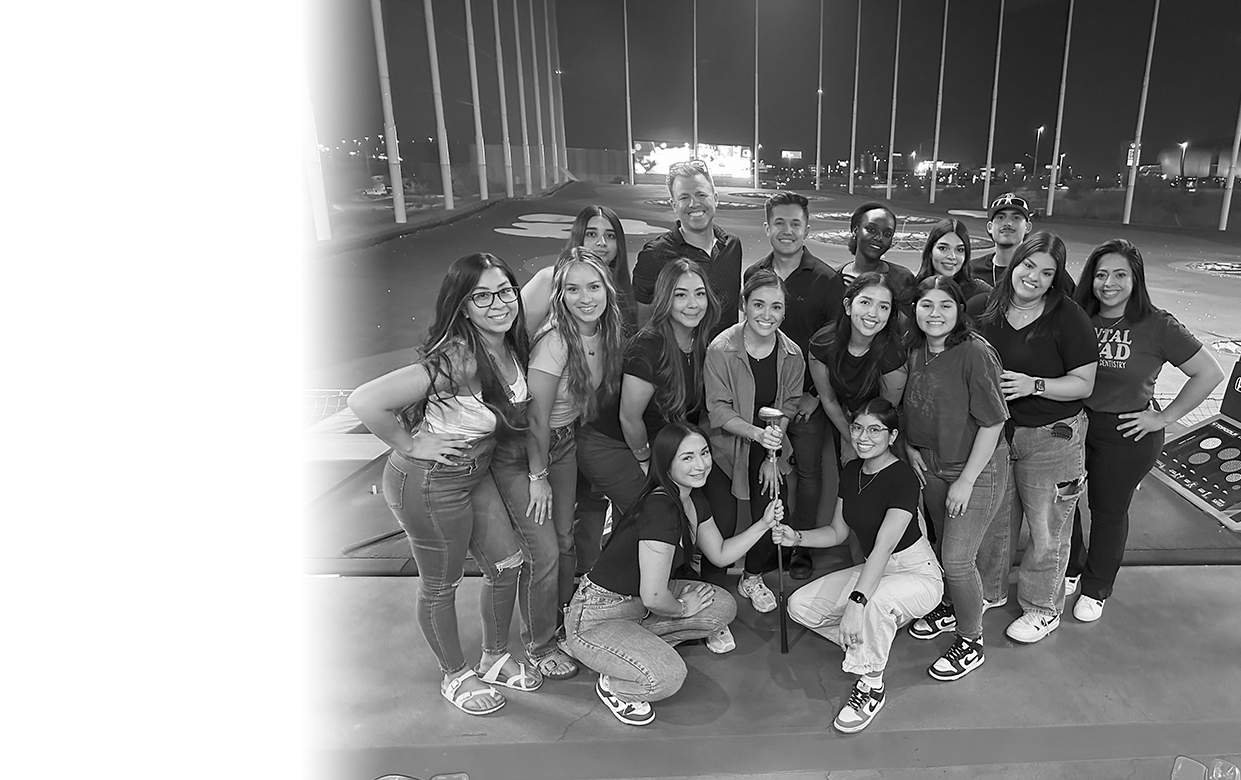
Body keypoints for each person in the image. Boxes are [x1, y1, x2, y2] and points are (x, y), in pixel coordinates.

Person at [348, 253, 539, 716]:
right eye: (482, 296)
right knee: (441, 584)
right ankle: (454, 675)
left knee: (508, 563)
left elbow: (550, 278)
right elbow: (365, 400)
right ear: (463, 305)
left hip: (475, 473)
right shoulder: (461, 358)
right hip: (432, 482)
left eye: (505, 291)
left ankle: (493, 655)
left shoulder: (507, 337)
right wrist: (411, 443)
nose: (498, 304)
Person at [563, 423, 785, 726]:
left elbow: (719, 553)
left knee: (722, 607)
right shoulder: (661, 507)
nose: (701, 464)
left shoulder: (692, 497)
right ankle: (614, 685)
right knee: (667, 677)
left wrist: (763, 524)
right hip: (600, 614)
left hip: (642, 606)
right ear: (666, 464)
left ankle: (632, 649)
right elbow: (655, 596)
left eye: (704, 453)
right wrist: (682, 609)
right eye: (688, 457)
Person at [1065, 239, 1223, 622]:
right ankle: (1071, 566)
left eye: (1120, 274)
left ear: (1136, 279)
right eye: (1101, 274)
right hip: (1074, 426)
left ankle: (1097, 586)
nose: (1108, 283)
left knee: (1107, 510)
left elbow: (1210, 372)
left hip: (1127, 431)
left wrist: (1163, 417)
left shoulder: (1157, 324)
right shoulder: (1077, 317)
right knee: (1063, 503)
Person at [490, 249, 627, 682]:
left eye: (593, 286)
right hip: (529, 450)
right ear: (560, 295)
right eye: (573, 288)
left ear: (607, 288)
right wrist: (538, 477)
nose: (585, 297)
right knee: (545, 551)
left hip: (563, 441)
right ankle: (538, 643)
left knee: (566, 539)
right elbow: (535, 419)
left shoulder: (605, 332)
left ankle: (563, 617)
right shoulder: (554, 342)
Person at [772, 399, 943, 734]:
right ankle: (871, 636)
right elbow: (837, 532)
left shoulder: (903, 478)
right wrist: (795, 537)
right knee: (800, 607)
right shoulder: (851, 471)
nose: (864, 437)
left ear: (892, 436)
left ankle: (871, 685)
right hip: (876, 571)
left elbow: (883, 547)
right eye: (857, 428)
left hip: (915, 573)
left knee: (871, 604)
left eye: (875, 430)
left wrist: (857, 603)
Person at [974, 232, 1097, 644]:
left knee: (1047, 528)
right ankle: (989, 590)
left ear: (1056, 278)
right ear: (1015, 263)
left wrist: (1035, 385)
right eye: (1029, 265)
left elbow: (1083, 383)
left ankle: (1042, 607)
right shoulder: (984, 308)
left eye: (1047, 272)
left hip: (1052, 435)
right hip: (994, 435)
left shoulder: (1068, 317)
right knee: (994, 522)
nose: (1035, 277)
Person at [900, 277, 1010, 681]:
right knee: (942, 545)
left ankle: (971, 639)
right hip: (931, 467)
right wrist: (910, 447)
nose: (935, 313)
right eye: (926, 304)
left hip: (974, 471)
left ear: (959, 310)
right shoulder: (914, 350)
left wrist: (966, 481)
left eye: (945, 305)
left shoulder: (974, 353)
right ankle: (950, 607)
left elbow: (993, 421)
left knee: (958, 560)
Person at [744, 191, 845, 580]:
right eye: (780, 223)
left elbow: (836, 345)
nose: (787, 231)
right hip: (759, 396)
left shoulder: (825, 279)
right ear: (767, 226)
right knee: (763, 469)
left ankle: (796, 543)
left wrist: (816, 396)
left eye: (796, 224)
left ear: (807, 229)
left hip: (804, 400)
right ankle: (766, 543)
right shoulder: (754, 274)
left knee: (805, 471)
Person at [576, 258, 721, 518]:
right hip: (610, 443)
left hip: (653, 443)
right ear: (666, 300)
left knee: (656, 515)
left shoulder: (698, 341)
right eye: (681, 295)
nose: (693, 304)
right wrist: (645, 462)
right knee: (660, 513)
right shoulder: (648, 347)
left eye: (699, 294)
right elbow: (629, 418)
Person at [703, 270, 804, 609]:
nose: (767, 315)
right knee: (722, 519)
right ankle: (710, 596)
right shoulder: (720, 350)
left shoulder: (792, 355)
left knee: (776, 507)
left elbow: (788, 406)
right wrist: (758, 435)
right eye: (758, 304)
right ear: (744, 305)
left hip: (768, 446)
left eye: (776, 307)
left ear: (784, 311)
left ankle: (753, 577)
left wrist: (771, 455)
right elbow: (718, 411)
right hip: (724, 448)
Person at [632, 159, 742, 337]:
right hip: (678, 362)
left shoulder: (732, 247)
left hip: (724, 361)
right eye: (684, 197)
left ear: (715, 199)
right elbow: (645, 324)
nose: (694, 204)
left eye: (701, 194)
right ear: (674, 205)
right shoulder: (654, 254)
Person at [807, 272, 907, 466]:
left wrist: (865, 443)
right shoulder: (822, 345)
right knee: (850, 468)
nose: (873, 313)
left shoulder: (893, 359)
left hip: (885, 425)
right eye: (865, 302)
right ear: (847, 306)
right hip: (847, 418)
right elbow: (829, 400)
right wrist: (852, 440)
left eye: (883, 307)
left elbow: (885, 413)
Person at [522, 205, 637, 336]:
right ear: (579, 237)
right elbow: (519, 336)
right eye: (591, 234)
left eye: (610, 236)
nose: (602, 242)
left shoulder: (620, 288)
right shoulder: (549, 279)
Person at [835, 201, 917, 311]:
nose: (879, 238)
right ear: (855, 231)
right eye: (871, 230)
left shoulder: (903, 278)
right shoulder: (833, 279)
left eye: (887, 234)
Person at [914, 219, 992, 302]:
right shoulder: (911, 289)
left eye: (960, 250)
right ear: (930, 251)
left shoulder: (979, 291)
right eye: (943, 248)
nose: (952, 256)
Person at [966, 194, 1033, 291]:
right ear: (990, 227)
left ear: (1027, 227)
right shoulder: (971, 271)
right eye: (1001, 217)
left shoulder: (1038, 271)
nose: (1007, 223)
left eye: (1016, 218)